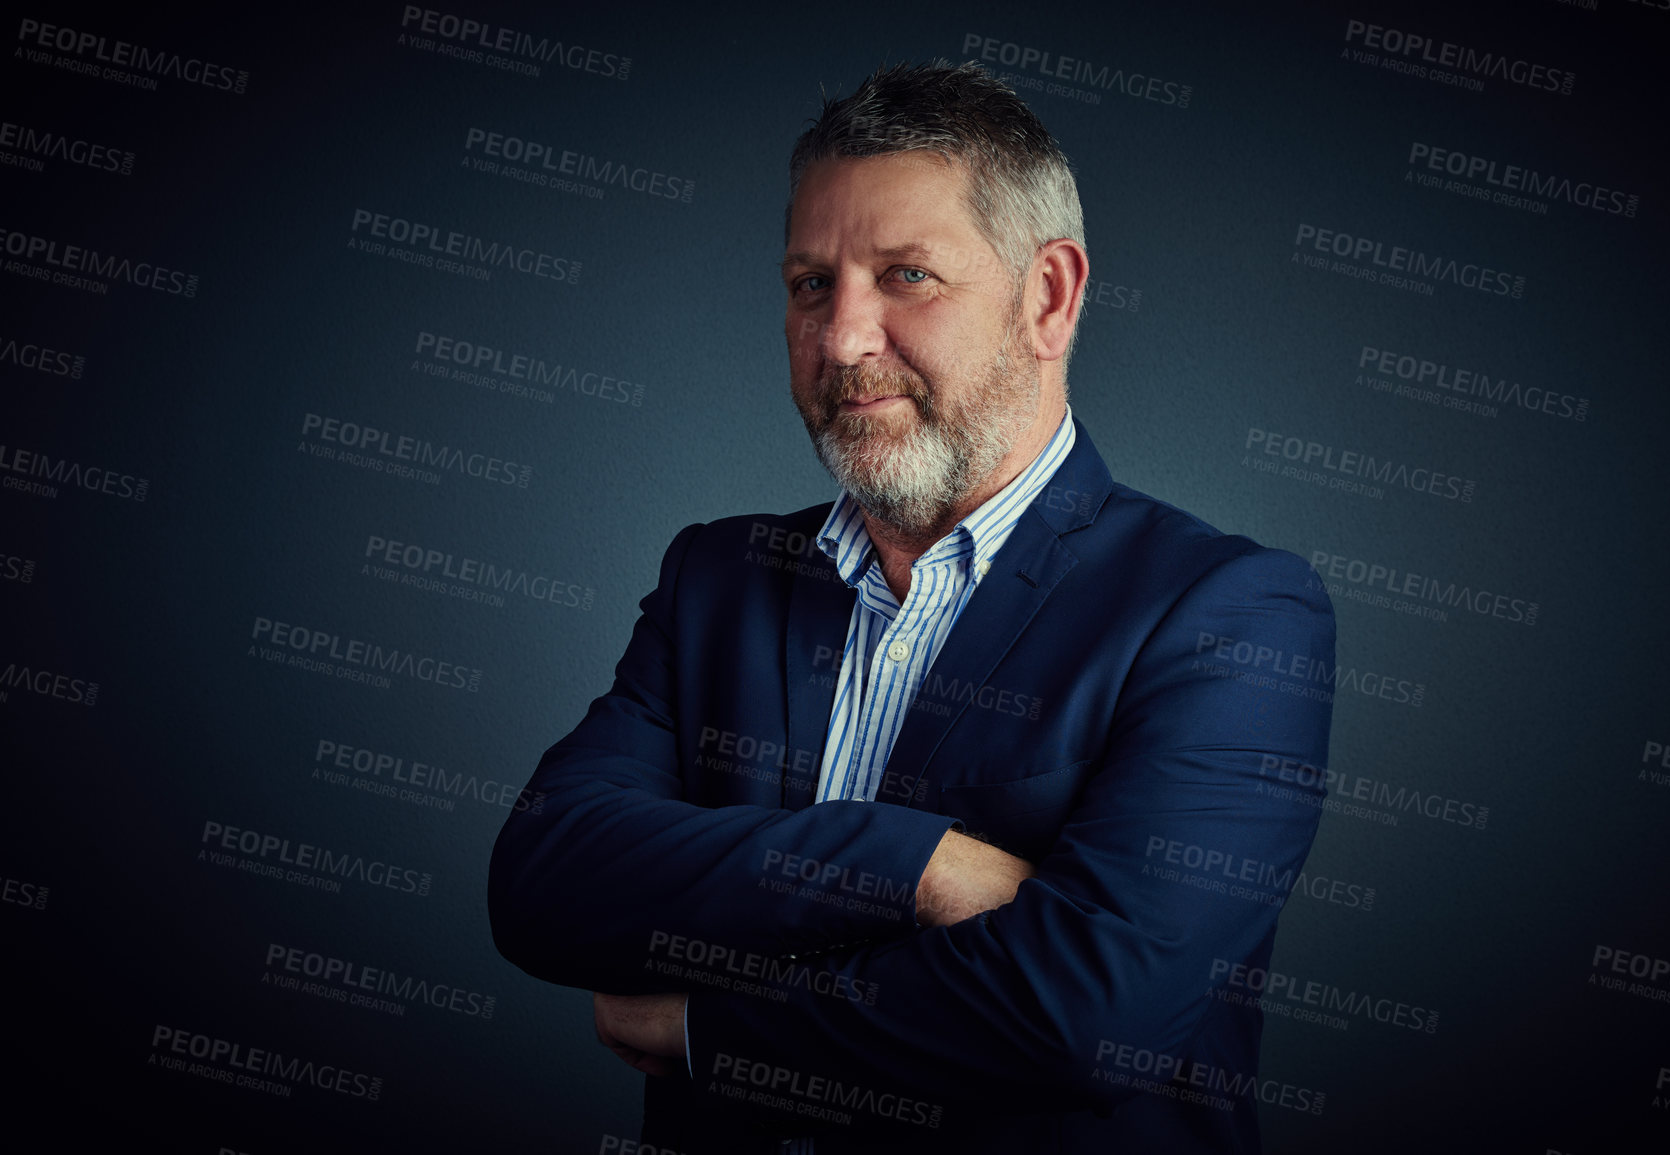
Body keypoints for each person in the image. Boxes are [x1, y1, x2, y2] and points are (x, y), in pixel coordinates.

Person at [489, 61, 1335, 1154]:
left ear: (1049, 298)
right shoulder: (721, 578)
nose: (842, 340)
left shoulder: (1229, 613)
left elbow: (1089, 1016)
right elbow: (544, 884)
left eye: (907, 276)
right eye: (809, 284)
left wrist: (709, 1030)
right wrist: (923, 868)